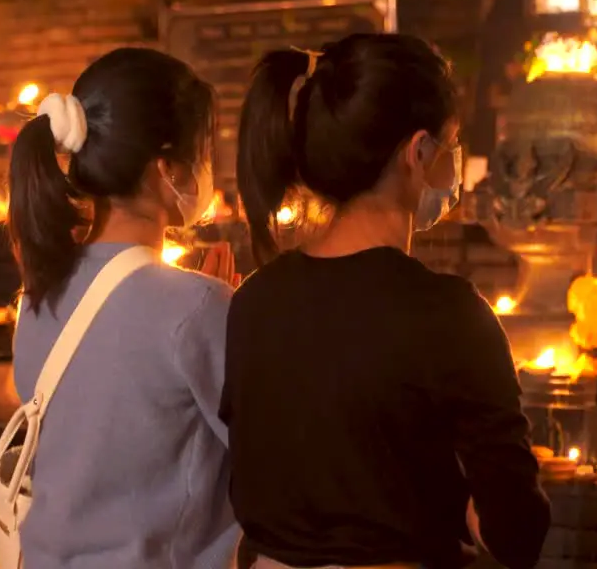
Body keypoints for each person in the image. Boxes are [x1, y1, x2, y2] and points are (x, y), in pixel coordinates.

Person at [223, 33, 550, 569]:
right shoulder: (448, 314)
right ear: (418, 153)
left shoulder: (254, 301)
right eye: (452, 143)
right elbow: (516, 531)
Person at [7, 47, 240, 569]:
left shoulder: (37, 297)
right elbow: (270, 458)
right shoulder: (196, 306)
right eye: (202, 156)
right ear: (166, 169)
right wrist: (220, 315)